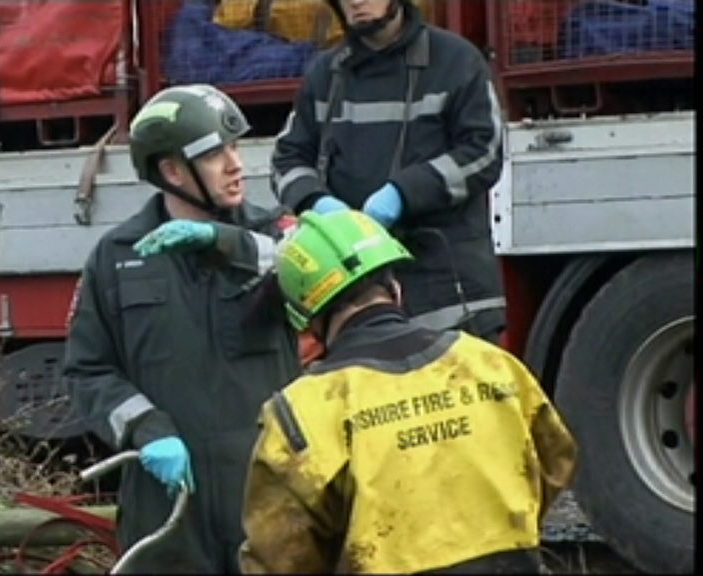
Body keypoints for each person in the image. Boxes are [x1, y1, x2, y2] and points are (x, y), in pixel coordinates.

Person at [239, 209, 578, 574]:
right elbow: (556, 463)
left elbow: (280, 554)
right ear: (395, 287)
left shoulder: (302, 410)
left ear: (307, 317)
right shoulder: (490, 363)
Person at [62, 84, 301, 573]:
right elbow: (88, 371)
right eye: (214, 154)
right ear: (172, 171)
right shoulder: (117, 257)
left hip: (267, 492)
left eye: (235, 148)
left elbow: (314, 268)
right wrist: (146, 430)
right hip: (167, 506)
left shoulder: (274, 233)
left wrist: (225, 243)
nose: (236, 165)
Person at [270, 0, 507, 343]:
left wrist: (403, 194)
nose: (355, 1)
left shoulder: (456, 61)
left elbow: (484, 151)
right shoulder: (326, 74)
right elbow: (286, 159)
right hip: (359, 295)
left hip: (450, 295)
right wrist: (317, 202)